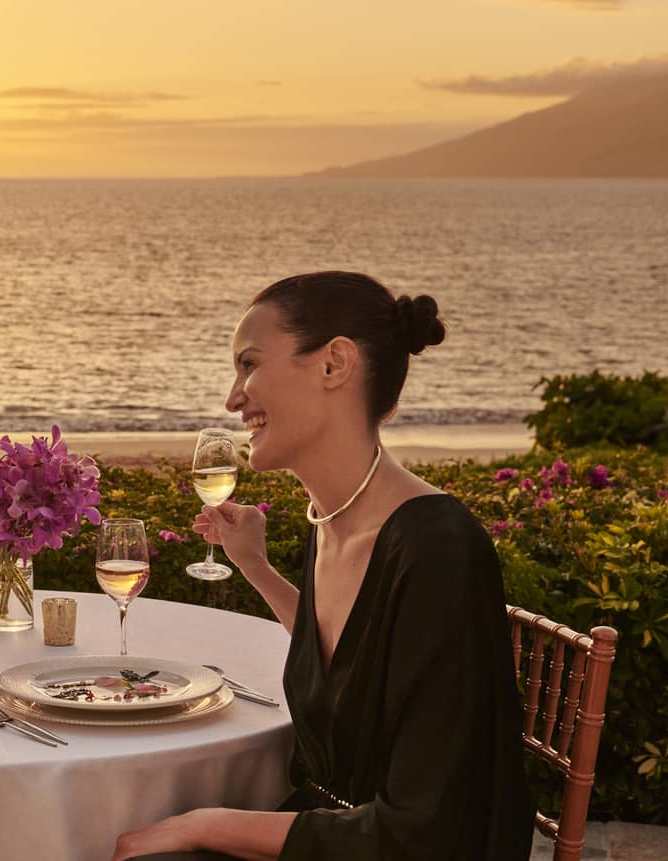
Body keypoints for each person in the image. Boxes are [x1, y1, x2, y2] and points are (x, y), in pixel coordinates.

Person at [112, 272, 532, 860]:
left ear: (334, 364)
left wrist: (204, 825)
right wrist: (255, 567)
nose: (234, 398)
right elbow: (349, 667)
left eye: (249, 364)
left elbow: (428, 831)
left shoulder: (438, 551)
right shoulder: (333, 524)